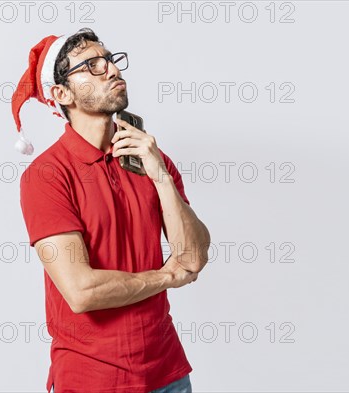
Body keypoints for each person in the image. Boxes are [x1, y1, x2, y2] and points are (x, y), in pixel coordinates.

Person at [12, 28, 210, 393]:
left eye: (111, 60)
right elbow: (82, 290)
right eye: (92, 65)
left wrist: (160, 174)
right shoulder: (47, 175)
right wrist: (166, 278)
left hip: (169, 375)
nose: (112, 70)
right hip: (93, 381)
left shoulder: (149, 156)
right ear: (61, 93)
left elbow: (194, 259)